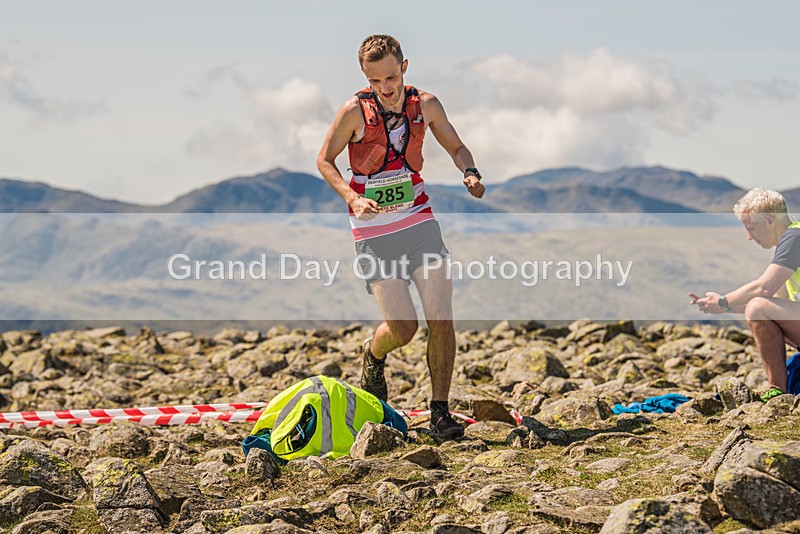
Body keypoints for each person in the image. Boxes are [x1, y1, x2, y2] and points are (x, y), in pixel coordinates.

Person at [316, 34, 485, 439]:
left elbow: (457, 146)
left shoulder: (425, 104)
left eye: (391, 77)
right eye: (376, 81)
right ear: (365, 78)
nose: (385, 88)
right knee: (404, 328)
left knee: (440, 315)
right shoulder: (353, 112)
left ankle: (440, 411)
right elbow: (324, 161)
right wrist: (352, 197)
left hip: (418, 222)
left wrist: (470, 171)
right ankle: (373, 356)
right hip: (373, 233)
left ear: (404, 67)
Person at [690, 188, 800, 401]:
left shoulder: (795, 237)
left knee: (757, 307)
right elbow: (779, 303)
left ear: (769, 221)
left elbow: (762, 290)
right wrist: (722, 307)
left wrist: (723, 301)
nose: (750, 237)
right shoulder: (791, 243)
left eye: (751, 228)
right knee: (759, 307)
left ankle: (777, 390)